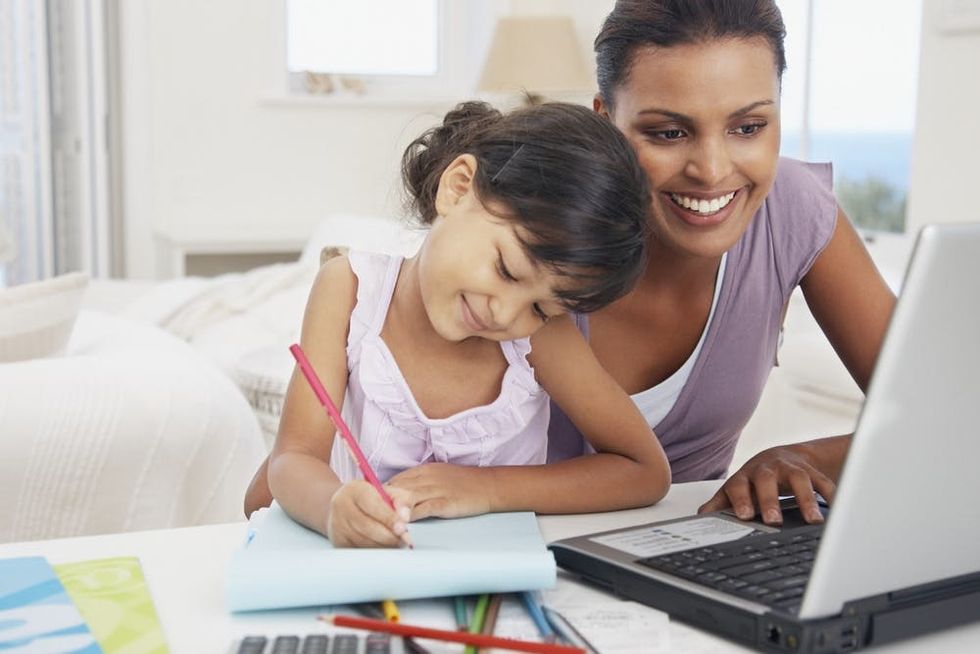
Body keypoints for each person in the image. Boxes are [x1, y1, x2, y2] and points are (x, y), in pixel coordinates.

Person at [246, 101, 671, 546]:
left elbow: (644, 470)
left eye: (542, 309)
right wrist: (333, 509)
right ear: (458, 187)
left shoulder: (539, 341)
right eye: (506, 269)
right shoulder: (348, 291)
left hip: (486, 586)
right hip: (355, 574)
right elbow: (292, 458)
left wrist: (484, 488)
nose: (506, 314)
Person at [546, 0, 896, 526]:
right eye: (668, 133)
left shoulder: (791, 210)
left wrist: (804, 457)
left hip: (690, 560)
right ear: (606, 122)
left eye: (748, 127)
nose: (711, 171)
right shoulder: (529, 230)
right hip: (497, 559)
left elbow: (945, 416)